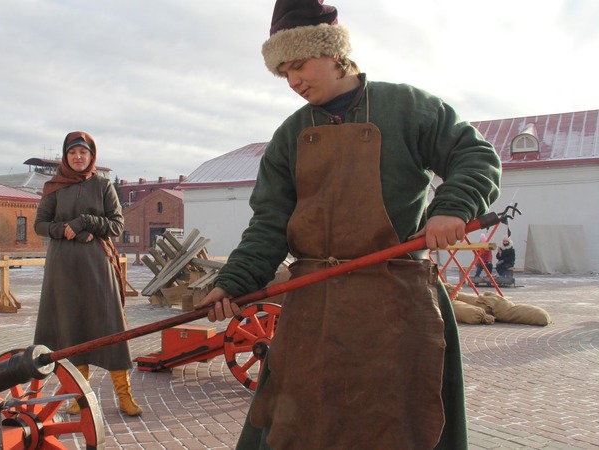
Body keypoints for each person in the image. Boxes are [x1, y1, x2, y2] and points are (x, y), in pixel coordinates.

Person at [196, 1, 502, 448]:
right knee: (300, 426)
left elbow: (475, 157)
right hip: (313, 307)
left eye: (299, 65)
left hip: (397, 303)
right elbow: (269, 225)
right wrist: (235, 281)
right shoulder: (290, 135)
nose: (294, 81)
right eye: (284, 73)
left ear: (335, 52)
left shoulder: (408, 107)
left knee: (401, 425)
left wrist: (452, 208)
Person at [33, 131, 142, 417]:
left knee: (111, 326)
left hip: (97, 265)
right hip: (63, 267)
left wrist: (84, 222)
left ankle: (124, 395)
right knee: (72, 329)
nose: (78, 157)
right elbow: (40, 224)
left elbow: (117, 225)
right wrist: (63, 229)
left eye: (83, 153)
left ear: (92, 156)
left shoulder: (104, 186)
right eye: (73, 153)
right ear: (66, 157)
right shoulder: (54, 187)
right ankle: (78, 397)